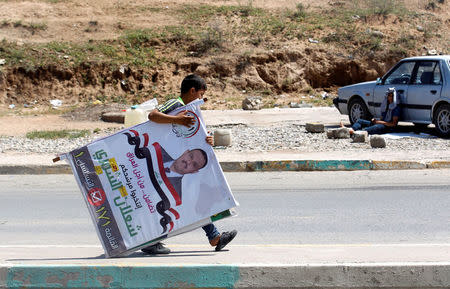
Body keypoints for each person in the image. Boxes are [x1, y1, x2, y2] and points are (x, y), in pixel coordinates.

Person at [141, 74, 237, 255]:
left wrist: (206, 140)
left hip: (177, 164)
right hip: (160, 162)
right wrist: (178, 120)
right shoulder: (176, 104)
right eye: (200, 95)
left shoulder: (191, 111)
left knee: (186, 200)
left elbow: (191, 138)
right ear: (192, 91)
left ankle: (214, 237)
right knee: (167, 204)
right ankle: (152, 242)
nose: (201, 100)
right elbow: (152, 115)